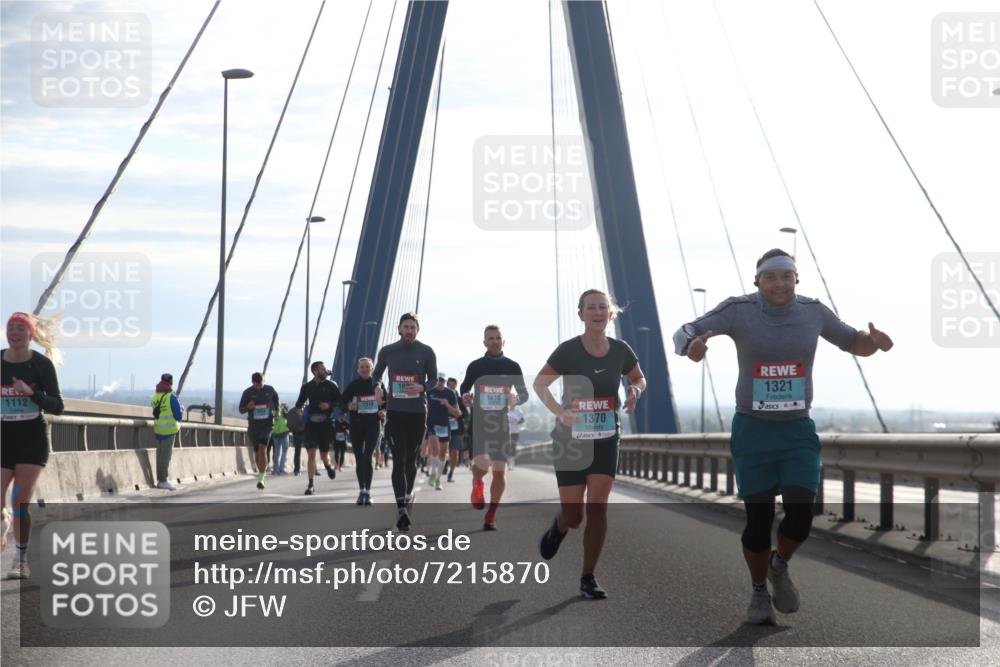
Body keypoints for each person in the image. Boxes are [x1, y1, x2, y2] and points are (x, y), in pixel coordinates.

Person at [672, 248, 893, 624]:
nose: (779, 283)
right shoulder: (738, 309)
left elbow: (853, 341)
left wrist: (875, 343)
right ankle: (759, 592)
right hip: (753, 430)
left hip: (796, 430)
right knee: (758, 523)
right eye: (770, 277)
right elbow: (685, 332)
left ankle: (780, 564)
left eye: (786, 276)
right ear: (757, 281)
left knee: (801, 515)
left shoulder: (813, 311)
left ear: (796, 280)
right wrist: (692, 348)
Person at [534, 290, 645, 599]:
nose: (597, 312)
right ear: (581, 314)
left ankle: (588, 576)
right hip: (571, 440)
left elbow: (639, 378)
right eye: (591, 307)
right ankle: (559, 527)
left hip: (606, 438)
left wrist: (635, 390)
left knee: (597, 508)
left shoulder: (621, 350)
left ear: (611, 313)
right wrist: (560, 412)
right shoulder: (568, 351)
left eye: (603, 307)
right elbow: (540, 384)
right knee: (575, 516)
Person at [1, 312, 64, 579]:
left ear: (30, 335)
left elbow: (58, 406)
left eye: (20, 329)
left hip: (31, 438)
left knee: (20, 502)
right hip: (3, 436)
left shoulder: (41, 365)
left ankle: (20, 559)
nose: (14, 333)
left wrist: (31, 393)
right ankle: (4, 523)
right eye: (10, 328)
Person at [372, 312, 437, 531]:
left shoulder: (426, 352)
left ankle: (408, 497)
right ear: (399, 329)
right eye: (406, 327)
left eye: (413, 327)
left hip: (418, 413)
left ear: (417, 330)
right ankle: (401, 507)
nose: (409, 331)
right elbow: (376, 375)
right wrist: (378, 387)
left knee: (411, 461)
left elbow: (434, 379)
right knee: (398, 460)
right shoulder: (388, 351)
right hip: (396, 413)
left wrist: (422, 387)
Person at [460, 324, 529, 530]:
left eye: (498, 338)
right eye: (490, 338)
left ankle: (491, 514)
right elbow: (465, 386)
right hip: (480, 423)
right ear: (484, 342)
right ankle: (477, 483)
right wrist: (465, 395)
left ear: (503, 341)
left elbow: (524, 394)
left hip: (501, 424)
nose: (494, 341)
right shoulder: (475, 366)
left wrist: (516, 398)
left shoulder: (513, 367)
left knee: (500, 472)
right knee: (482, 466)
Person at [340, 357, 387, 505]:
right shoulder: (353, 385)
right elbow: (342, 402)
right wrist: (348, 406)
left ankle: (368, 491)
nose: (365, 369)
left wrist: (383, 411)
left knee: (367, 457)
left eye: (368, 366)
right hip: (357, 425)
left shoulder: (378, 385)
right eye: (362, 367)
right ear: (358, 370)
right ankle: (362, 491)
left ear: (372, 369)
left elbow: (387, 402)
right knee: (360, 458)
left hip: (373, 425)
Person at [295, 361, 341, 495]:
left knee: (323, 455)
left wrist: (329, 405)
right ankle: (310, 485)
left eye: (325, 369)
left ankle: (327, 466)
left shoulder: (331, 385)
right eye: (322, 369)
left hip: (326, 424)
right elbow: (299, 402)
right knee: (311, 453)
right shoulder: (307, 387)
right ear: (315, 371)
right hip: (311, 424)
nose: (325, 371)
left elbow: (340, 400)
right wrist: (300, 408)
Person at [239, 372, 279, 490]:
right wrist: (248, 407)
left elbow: (276, 398)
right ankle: (261, 472)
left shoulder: (270, 389)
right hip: (254, 427)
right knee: (257, 453)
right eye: (258, 385)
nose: (260, 387)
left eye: (262, 383)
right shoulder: (247, 393)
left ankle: (262, 478)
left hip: (267, 425)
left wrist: (276, 411)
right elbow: (241, 409)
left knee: (263, 449)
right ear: (253, 383)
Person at [151, 373, 183, 490]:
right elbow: (178, 416)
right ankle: (163, 480)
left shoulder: (155, 397)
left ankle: (160, 479)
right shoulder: (171, 397)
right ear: (171, 382)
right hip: (169, 430)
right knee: (166, 456)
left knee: (160, 455)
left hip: (158, 429)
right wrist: (181, 408)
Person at [445, 376, 468, 482]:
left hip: (457, 429)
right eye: (449, 384)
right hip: (443, 428)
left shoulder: (460, 400)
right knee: (443, 450)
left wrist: (456, 415)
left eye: (453, 384)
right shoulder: (442, 398)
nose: (451, 386)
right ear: (446, 385)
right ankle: (444, 464)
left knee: (455, 452)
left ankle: (451, 472)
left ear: (456, 385)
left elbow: (466, 414)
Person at [271, 403, 291, 474]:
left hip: (275, 433)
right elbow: (288, 418)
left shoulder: (273, 411)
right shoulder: (283, 411)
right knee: (284, 452)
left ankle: (275, 469)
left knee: (276, 452)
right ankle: (281, 468)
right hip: (284, 433)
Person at [506, 400, 525, 470]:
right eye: (510, 401)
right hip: (506, 432)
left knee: (513, 446)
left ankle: (512, 463)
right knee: (507, 446)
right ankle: (508, 462)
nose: (511, 403)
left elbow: (523, 420)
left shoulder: (518, 411)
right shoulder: (506, 410)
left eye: (513, 401)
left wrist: (517, 422)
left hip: (515, 431)